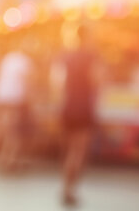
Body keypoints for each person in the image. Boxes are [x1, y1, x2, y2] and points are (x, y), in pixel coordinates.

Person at [51, 22, 101, 206]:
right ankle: (69, 189)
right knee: (79, 152)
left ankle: (66, 187)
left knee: (69, 151)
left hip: (67, 106)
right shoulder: (91, 56)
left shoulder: (64, 56)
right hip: (83, 108)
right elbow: (97, 80)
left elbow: (57, 82)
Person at [0, 40, 36, 173]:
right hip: (15, 99)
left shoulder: (9, 57)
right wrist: (31, 101)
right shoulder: (25, 61)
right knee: (13, 131)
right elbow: (28, 83)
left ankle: (6, 158)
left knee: (4, 128)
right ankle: (9, 159)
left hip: (3, 97)